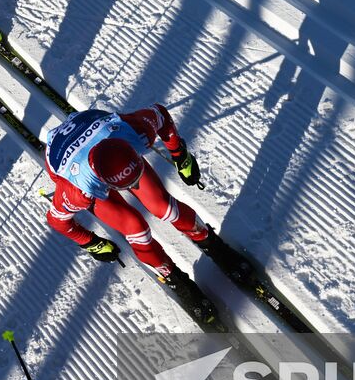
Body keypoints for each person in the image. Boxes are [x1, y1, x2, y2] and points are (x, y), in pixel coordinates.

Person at [42, 103, 221, 323]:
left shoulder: (133, 130)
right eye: (128, 184)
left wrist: (180, 155)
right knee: (135, 228)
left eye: (134, 179)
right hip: (72, 161)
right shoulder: (78, 189)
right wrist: (90, 242)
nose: (134, 186)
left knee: (162, 205)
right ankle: (175, 279)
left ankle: (210, 242)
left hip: (102, 135)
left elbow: (161, 115)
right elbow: (56, 220)